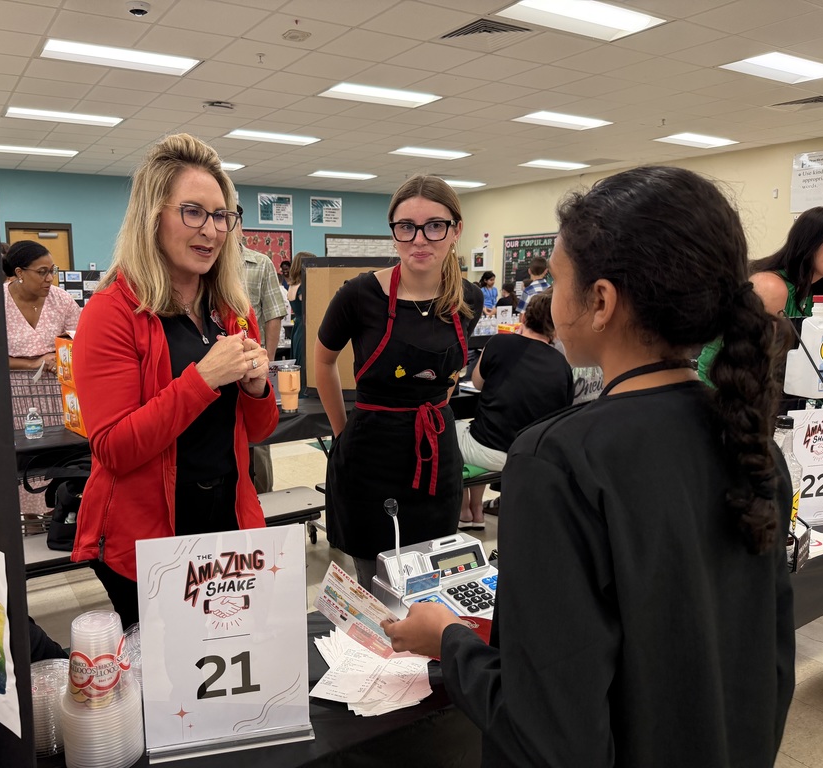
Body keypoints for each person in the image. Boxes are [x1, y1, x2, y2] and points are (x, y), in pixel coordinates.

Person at [383, 166, 795, 767]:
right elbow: (768, 662)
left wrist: (447, 641)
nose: (550, 298)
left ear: (600, 301)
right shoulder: (751, 441)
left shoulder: (559, 461)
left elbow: (547, 730)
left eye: (556, 279)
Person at [71, 133, 277, 629]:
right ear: (153, 217)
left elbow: (259, 431)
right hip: (145, 540)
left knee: (225, 656)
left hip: (225, 527)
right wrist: (204, 378)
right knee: (162, 687)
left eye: (221, 215)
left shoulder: (232, 309)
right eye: (193, 212)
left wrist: (254, 388)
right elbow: (114, 447)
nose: (211, 230)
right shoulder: (111, 311)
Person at [315, 175, 482, 588]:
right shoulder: (358, 295)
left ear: (455, 230)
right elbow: (323, 363)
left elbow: (447, 377)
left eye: (434, 226)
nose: (419, 239)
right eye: (406, 227)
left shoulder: (469, 299)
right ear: (393, 233)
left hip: (436, 456)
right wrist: (342, 434)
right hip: (370, 456)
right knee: (375, 589)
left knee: (434, 578)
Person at [698, 205, 823, 386]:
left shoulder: (813, 290)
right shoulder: (772, 287)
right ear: (811, 243)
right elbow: (746, 362)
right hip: (724, 394)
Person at [456, 291, 573, 530]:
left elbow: (477, 384)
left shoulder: (500, 343)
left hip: (488, 448)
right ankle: (477, 510)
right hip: (531, 455)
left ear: (524, 316)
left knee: (455, 431)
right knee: (477, 429)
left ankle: (464, 510)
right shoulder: (562, 364)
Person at [234, 204, 287, 494]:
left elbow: (274, 314)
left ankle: (264, 498)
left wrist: (268, 360)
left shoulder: (259, 263)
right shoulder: (205, 263)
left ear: (239, 225)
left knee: (260, 440)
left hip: (254, 367)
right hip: (218, 367)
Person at [2, 240, 80, 374]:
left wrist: (61, 356)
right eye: (42, 272)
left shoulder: (62, 300)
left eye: (52, 271)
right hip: (13, 389)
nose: (50, 278)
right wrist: (31, 364)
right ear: (20, 272)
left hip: (56, 387)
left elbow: (79, 341)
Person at [286, 251, 313, 388]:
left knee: (298, 361)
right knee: (304, 364)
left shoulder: (292, 286)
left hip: (297, 326)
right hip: (305, 327)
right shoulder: (303, 287)